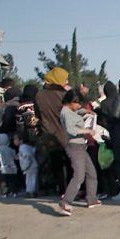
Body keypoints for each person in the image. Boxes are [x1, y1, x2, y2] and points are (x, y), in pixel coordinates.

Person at [58, 90, 99, 215]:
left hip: (81, 146)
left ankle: (91, 198)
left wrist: (85, 112)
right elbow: (71, 129)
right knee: (79, 175)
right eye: (77, 104)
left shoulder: (70, 110)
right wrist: (87, 131)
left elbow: (77, 112)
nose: (79, 106)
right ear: (71, 102)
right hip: (74, 146)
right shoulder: (65, 112)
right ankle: (66, 202)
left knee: (91, 173)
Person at [34, 67, 70, 195]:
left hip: (48, 134)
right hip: (65, 134)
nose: (66, 82)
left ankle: (60, 190)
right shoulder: (64, 95)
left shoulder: (40, 95)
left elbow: (38, 114)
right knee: (70, 164)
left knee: (56, 164)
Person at [15, 132, 38, 198]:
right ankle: (31, 192)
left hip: (30, 166)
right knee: (31, 179)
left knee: (30, 179)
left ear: (21, 140)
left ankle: (31, 192)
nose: (14, 141)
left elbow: (27, 157)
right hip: (31, 166)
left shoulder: (23, 147)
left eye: (16, 139)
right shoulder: (25, 147)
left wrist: (25, 166)